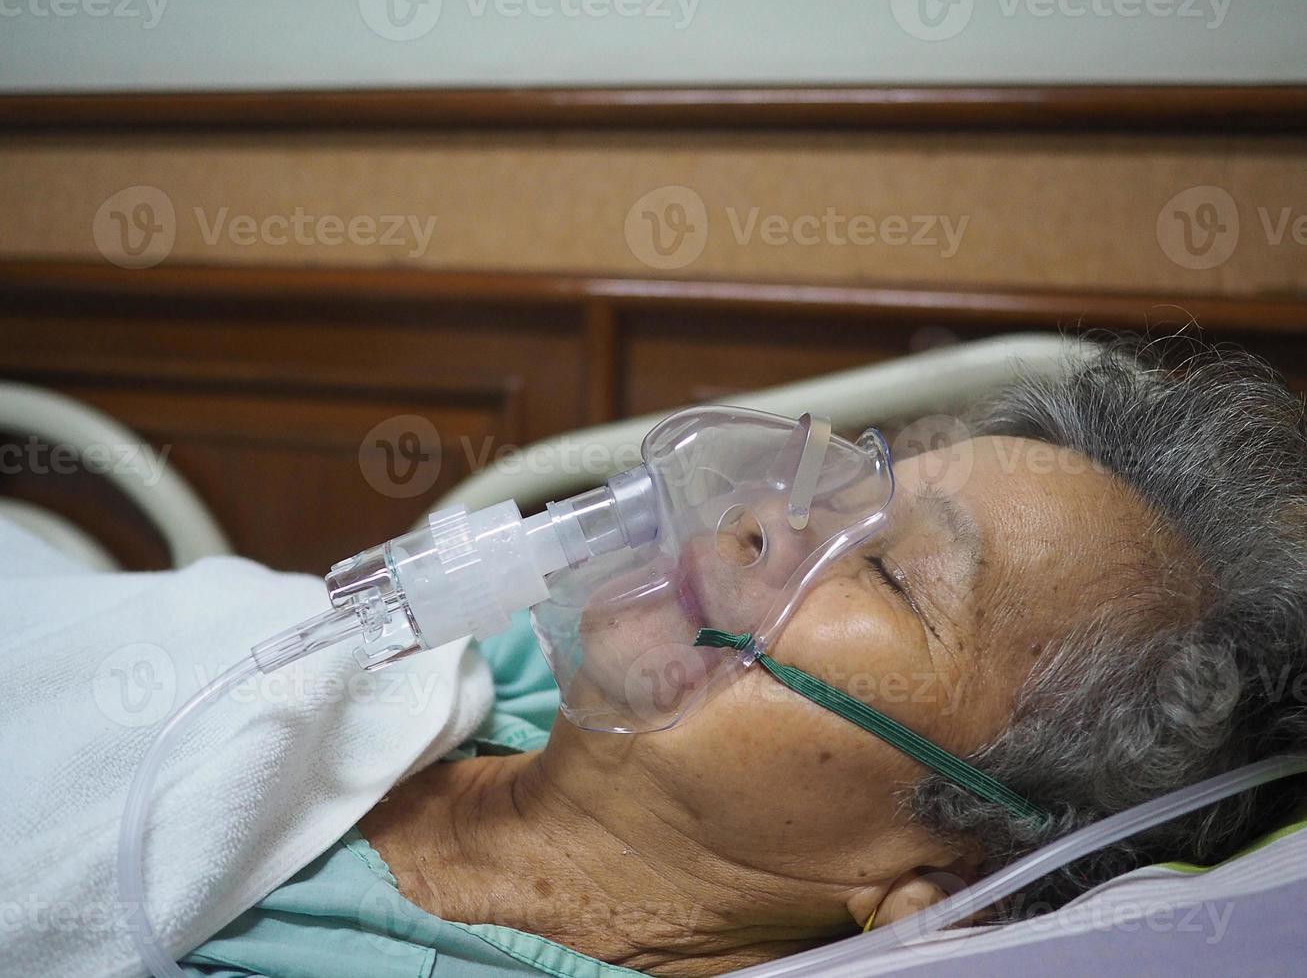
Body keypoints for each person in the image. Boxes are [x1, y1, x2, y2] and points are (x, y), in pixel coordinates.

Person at [178, 336, 1307, 975]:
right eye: (847, 489)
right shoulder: (490, 677)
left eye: (891, 575)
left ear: (943, 881)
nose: (766, 513)